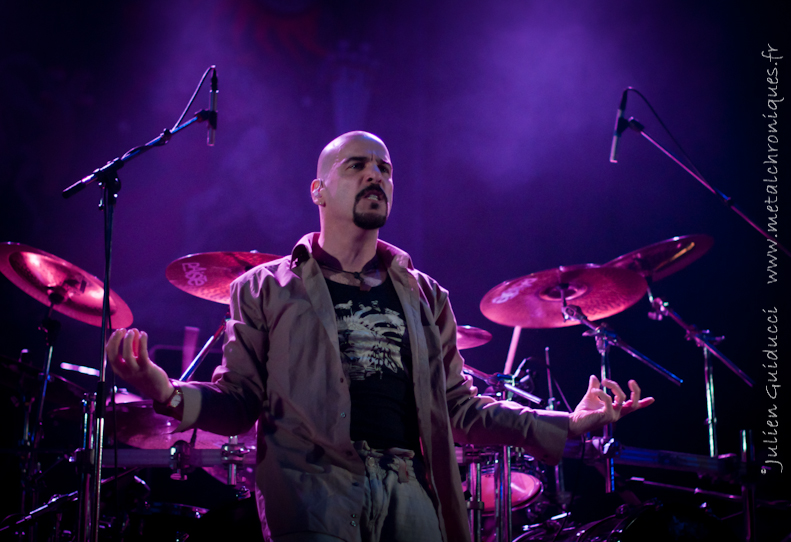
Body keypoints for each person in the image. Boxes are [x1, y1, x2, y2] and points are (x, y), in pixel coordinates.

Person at [106, 131, 654, 542]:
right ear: (319, 190)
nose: (376, 176)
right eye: (357, 165)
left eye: (385, 169)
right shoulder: (265, 288)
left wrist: (567, 423)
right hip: (311, 488)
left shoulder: (426, 295)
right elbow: (239, 402)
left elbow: (460, 410)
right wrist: (166, 393)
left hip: (409, 491)